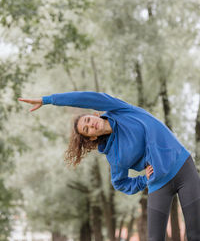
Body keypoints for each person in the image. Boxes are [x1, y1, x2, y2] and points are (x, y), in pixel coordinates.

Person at [18, 91, 200, 241]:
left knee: (195, 234)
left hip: (182, 167)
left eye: (88, 120)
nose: (91, 125)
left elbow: (84, 98)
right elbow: (120, 183)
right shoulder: (114, 156)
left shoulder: (120, 110)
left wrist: (48, 100)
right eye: (87, 130)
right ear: (91, 138)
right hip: (158, 183)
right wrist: (143, 180)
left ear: (93, 114)